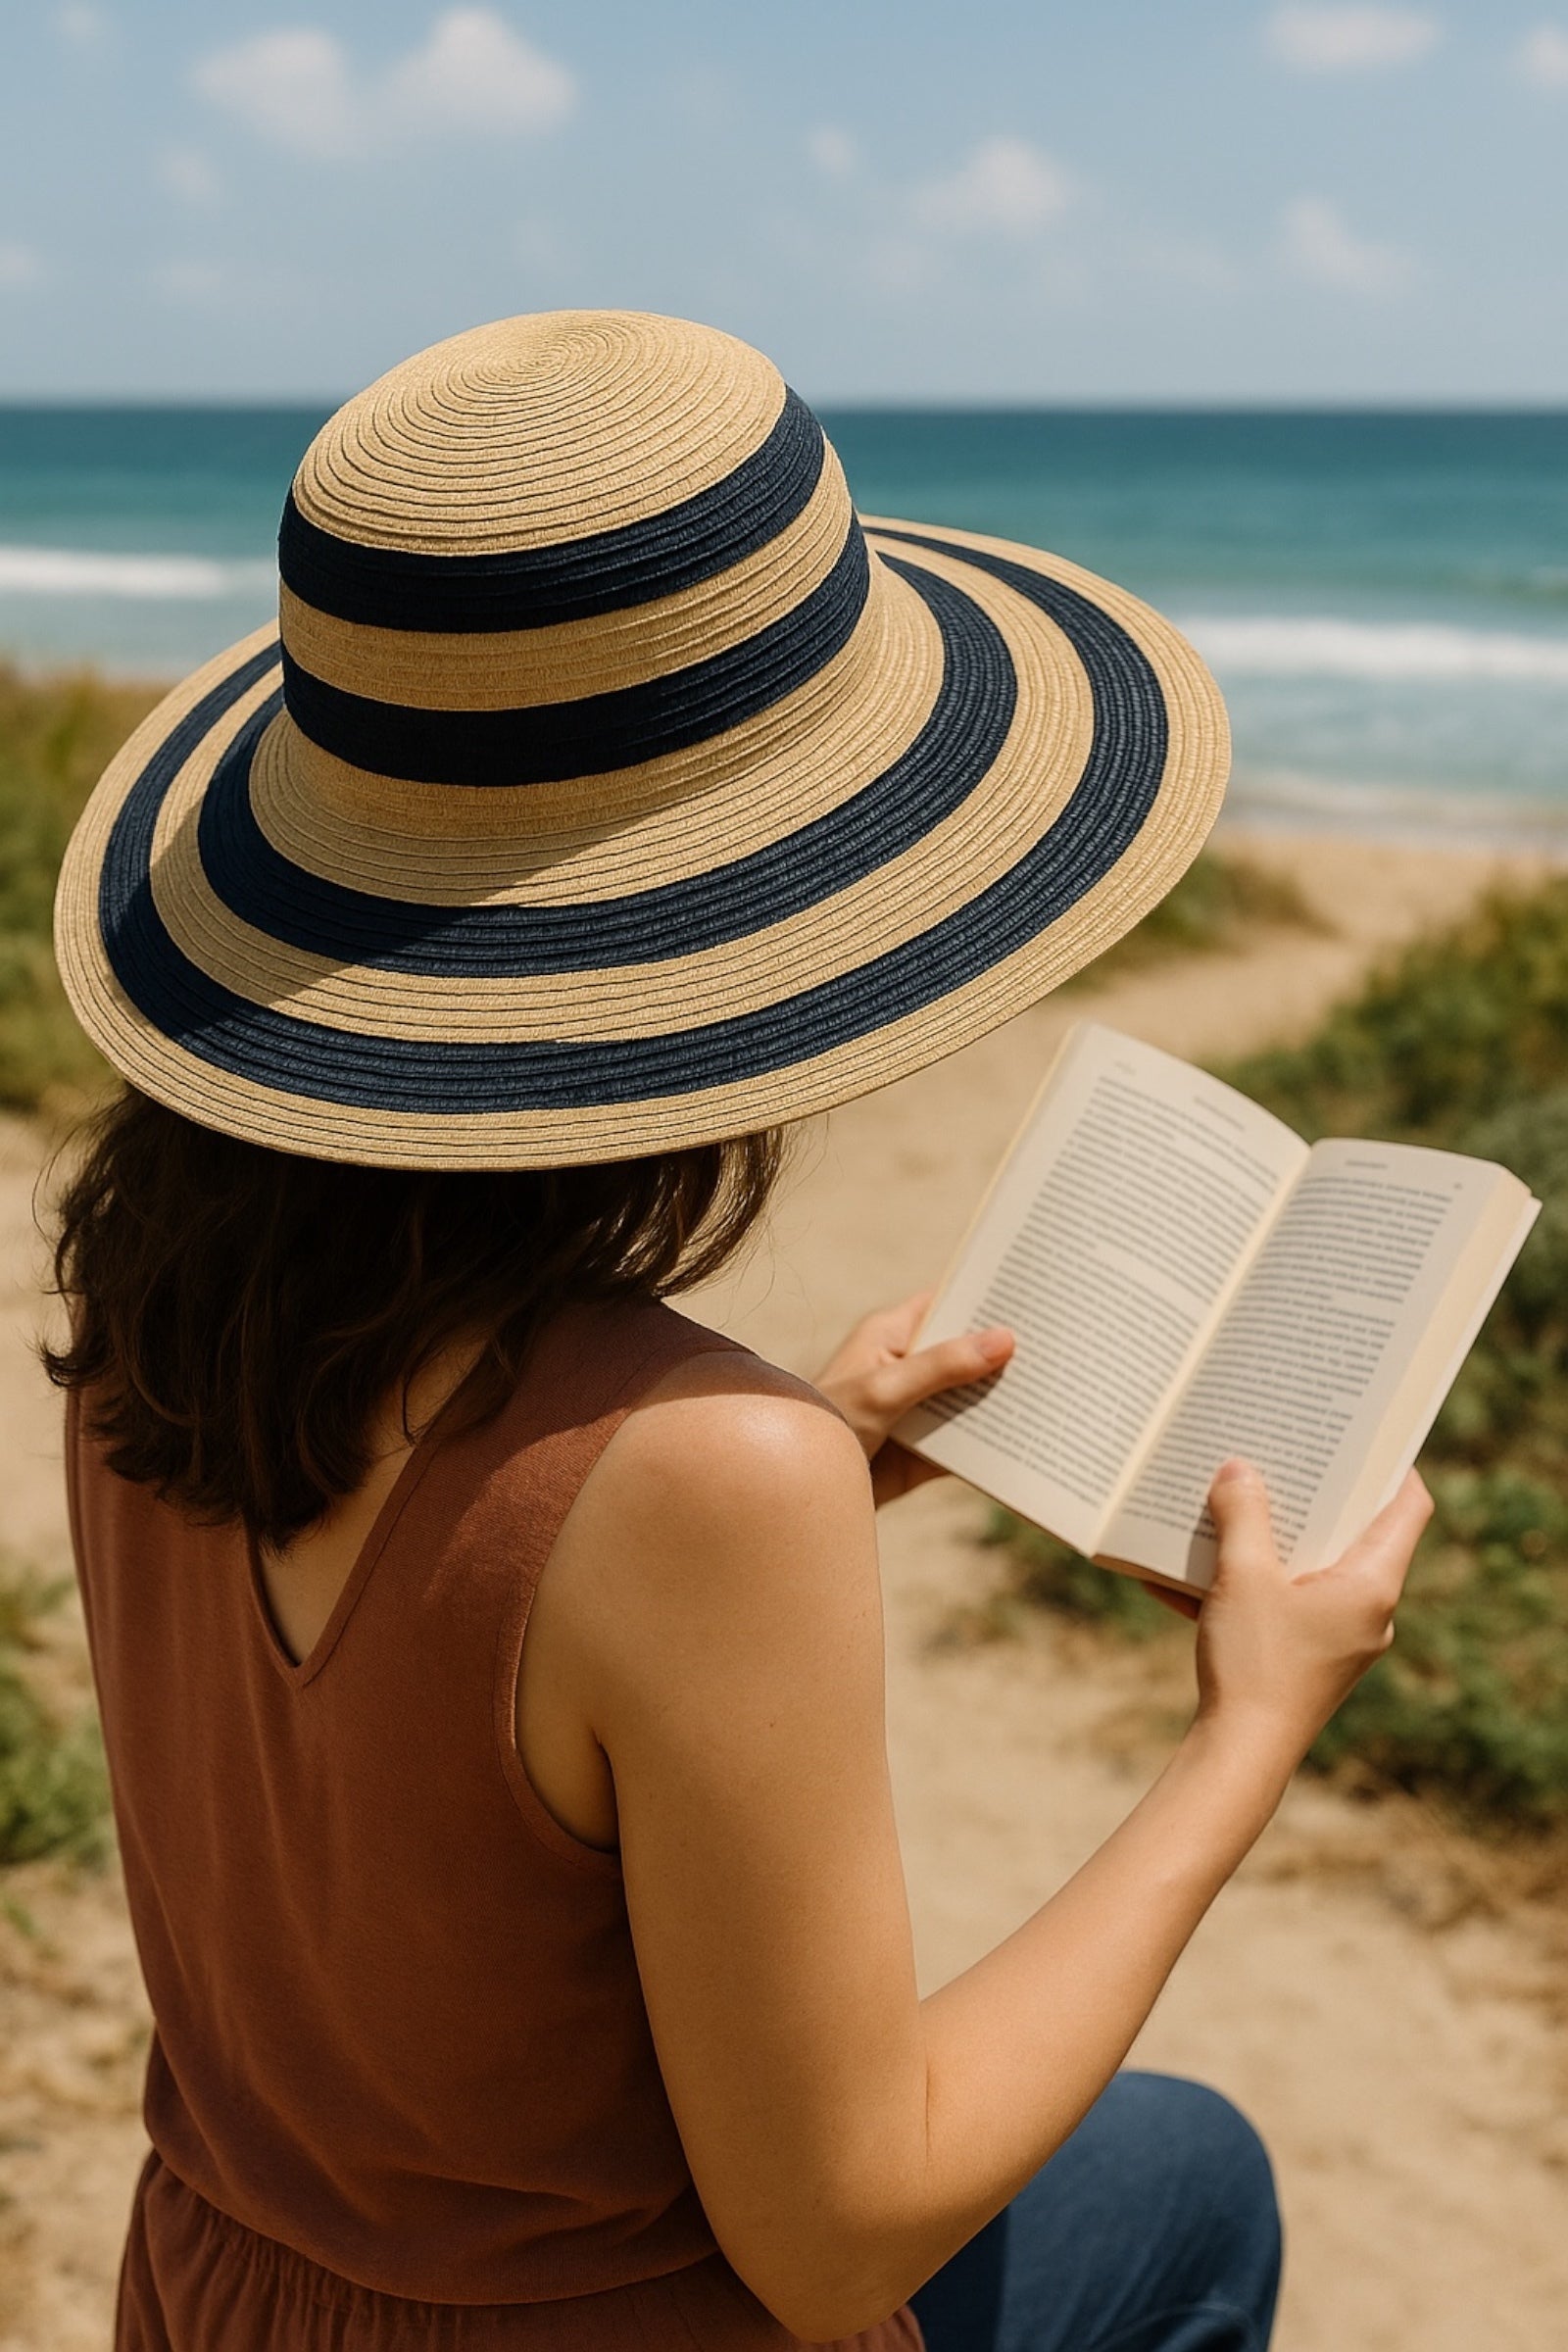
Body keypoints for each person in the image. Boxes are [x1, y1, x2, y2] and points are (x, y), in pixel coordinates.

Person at [48, 312, 1430, 2352]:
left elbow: (427, 1696)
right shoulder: (700, 1476)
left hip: (228, 2298)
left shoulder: (158, 1309)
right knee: (1195, 2177)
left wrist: (756, 1468)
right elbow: (837, 2235)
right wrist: (1249, 1729)